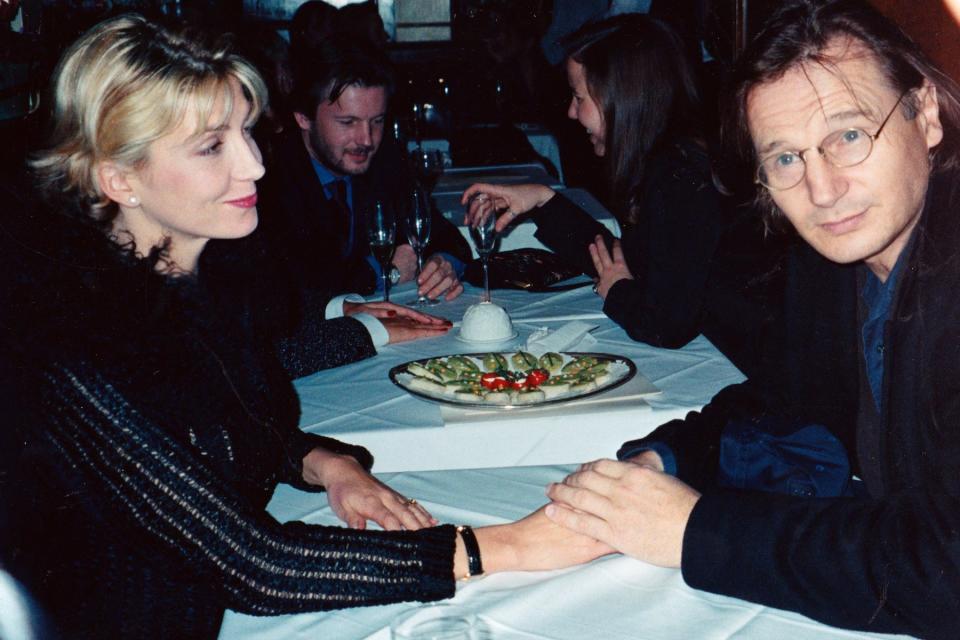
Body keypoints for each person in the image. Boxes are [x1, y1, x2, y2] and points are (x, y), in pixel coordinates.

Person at [0, 14, 608, 639]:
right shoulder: (64, 341)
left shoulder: (194, 285)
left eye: (245, 132)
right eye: (213, 146)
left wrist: (323, 463)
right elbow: (257, 566)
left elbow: (222, 428)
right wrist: (502, 548)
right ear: (119, 178)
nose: (255, 165)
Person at [542, 1, 960, 638]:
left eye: (848, 136)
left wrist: (694, 531)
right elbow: (786, 400)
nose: (821, 191)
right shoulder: (836, 265)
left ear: (925, 113)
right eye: (786, 159)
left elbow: (947, 569)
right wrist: (670, 460)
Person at [464, 13, 775, 376]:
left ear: (622, 98)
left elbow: (665, 324)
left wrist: (618, 294)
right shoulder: (667, 162)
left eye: (579, 97)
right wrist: (542, 201)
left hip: (743, 372)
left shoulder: (680, 178)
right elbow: (624, 262)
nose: (570, 111)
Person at [260, 35, 469, 305]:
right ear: (303, 117)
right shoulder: (270, 174)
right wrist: (384, 273)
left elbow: (446, 237)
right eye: (348, 122)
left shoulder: (385, 158)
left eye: (378, 121)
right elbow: (294, 289)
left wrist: (444, 264)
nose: (367, 140)